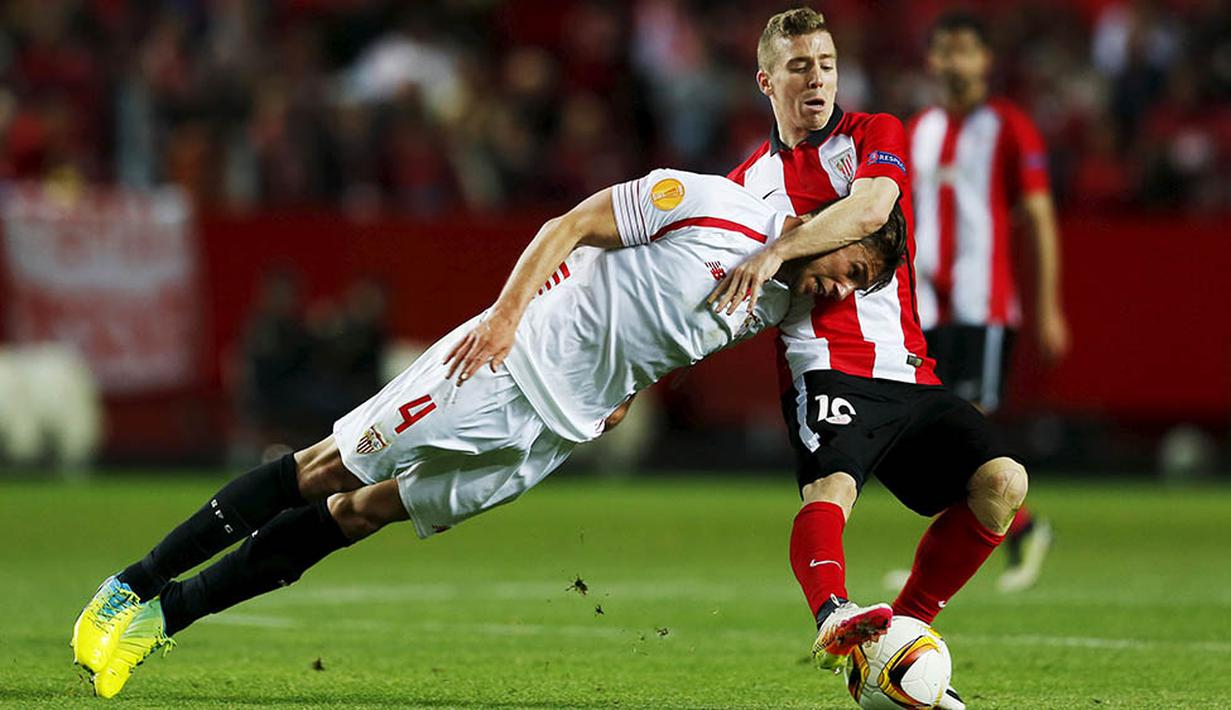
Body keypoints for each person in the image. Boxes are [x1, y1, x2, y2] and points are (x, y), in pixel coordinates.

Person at [69, 168, 909, 699]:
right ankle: (128, 587)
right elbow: (568, 227)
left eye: (860, 286)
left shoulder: (774, 301)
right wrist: (506, 317)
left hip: (552, 433)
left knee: (364, 514)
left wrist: (627, 386)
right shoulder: (721, 208)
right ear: (841, 229)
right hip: (505, 364)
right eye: (855, 269)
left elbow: (665, 323)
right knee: (327, 467)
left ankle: (162, 622)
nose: (842, 290)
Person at [712, 9, 1027, 708]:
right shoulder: (741, 187)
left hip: (908, 371)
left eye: (825, 63)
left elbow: (871, 210)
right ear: (766, 81)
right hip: (823, 364)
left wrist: (777, 251)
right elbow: (712, 283)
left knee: (1002, 484)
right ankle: (832, 615)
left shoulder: (872, 134)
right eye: (798, 66)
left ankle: (900, 637)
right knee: (831, 492)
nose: (816, 78)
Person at [907, 11, 1067, 593]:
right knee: (927, 426)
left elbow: (1040, 217)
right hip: (923, 304)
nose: (953, 62)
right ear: (931, 61)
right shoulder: (918, 128)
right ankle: (1017, 530)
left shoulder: (1009, 128)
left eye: (964, 51)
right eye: (943, 51)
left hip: (984, 305)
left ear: (984, 61)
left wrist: (1048, 305)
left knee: (963, 428)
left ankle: (999, 534)